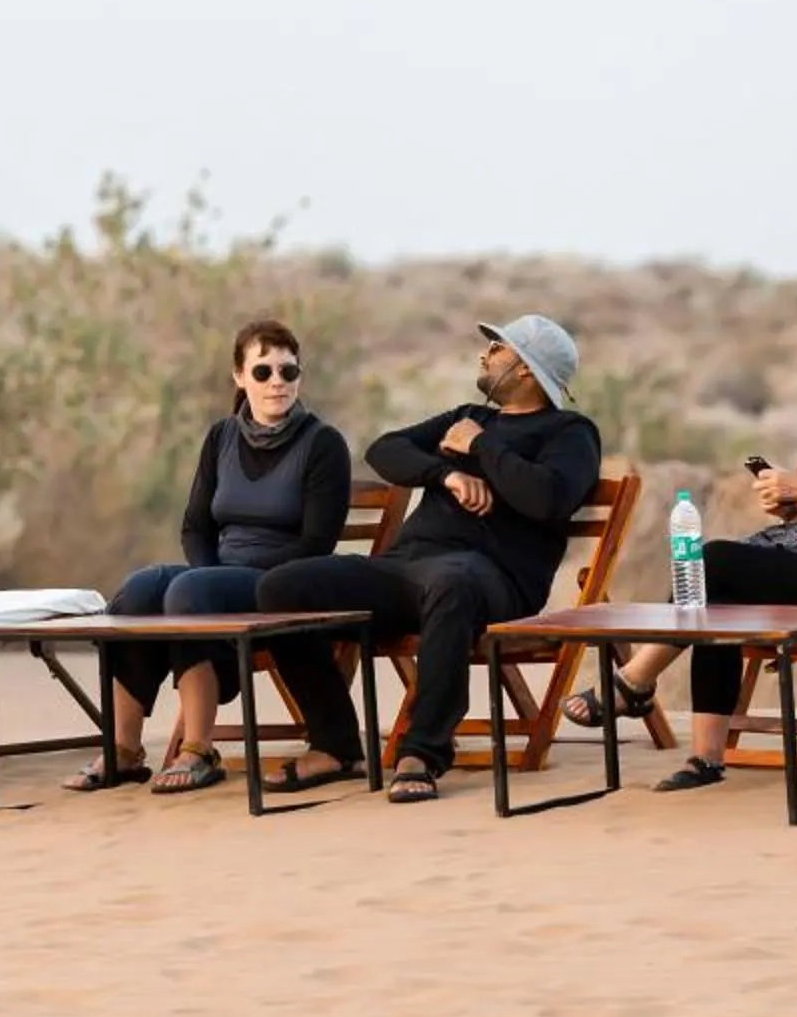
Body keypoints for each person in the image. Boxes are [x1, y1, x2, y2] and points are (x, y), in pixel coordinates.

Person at [561, 310, 797, 791]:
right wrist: (792, 506)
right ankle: (705, 758)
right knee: (718, 602)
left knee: (717, 563)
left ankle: (634, 681)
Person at [253, 316, 601, 804]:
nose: (485, 356)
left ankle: (422, 752)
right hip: (407, 567)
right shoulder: (466, 415)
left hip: (493, 577)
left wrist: (480, 446)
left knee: (451, 583)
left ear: (524, 368)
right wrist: (447, 476)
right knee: (281, 587)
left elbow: (550, 498)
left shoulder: (569, 432)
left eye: (497, 349)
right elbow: (385, 450)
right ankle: (334, 743)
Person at [67, 318, 354, 794]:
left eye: (288, 371)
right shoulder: (221, 437)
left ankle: (199, 749)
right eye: (263, 372)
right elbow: (195, 525)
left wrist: (211, 583)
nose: (277, 382)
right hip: (218, 575)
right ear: (240, 377)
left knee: (188, 591)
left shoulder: (323, 444)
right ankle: (125, 747)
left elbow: (316, 544)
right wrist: (210, 575)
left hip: (280, 578)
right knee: (141, 588)